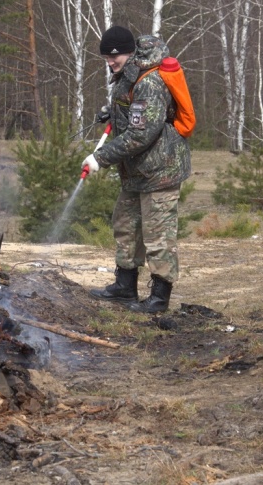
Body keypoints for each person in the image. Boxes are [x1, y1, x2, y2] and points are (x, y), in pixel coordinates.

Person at [82, 27, 192, 314]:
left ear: (128, 53)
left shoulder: (150, 81)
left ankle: (158, 298)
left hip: (160, 170)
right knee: (126, 225)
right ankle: (124, 287)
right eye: (106, 57)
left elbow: (141, 134)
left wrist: (100, 158)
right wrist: (112, 110)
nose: (110, 62)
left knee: (158, 236)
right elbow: (133, 107)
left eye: (113, 57)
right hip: (136, 171)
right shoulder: (130, 73)